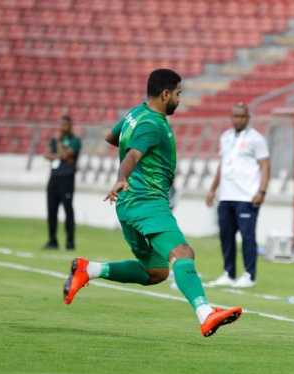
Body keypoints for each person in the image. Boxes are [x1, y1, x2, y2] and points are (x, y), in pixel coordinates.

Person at [62, 69, 242, 338]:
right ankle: (206, 313)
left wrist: (130, 172)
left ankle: (90, 269)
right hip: (147, 202)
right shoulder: (152, 124)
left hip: (128, 206)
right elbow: (133, 154)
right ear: (165, 94)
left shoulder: (135, 114)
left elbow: (113, 138)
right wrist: (122, 176)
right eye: (178, 94)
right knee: (182, 253)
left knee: (156, 271)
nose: (180, 100)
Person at [206, 103, 270, 288]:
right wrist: (212, 189)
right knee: (226, 235)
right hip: (226, 196)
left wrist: (262, 191)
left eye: (241, 116)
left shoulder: (256, 139)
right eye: (235, 116)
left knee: (247, 236)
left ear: (248, 118)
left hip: (247, 196)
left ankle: (249, 275)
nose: (238, 119)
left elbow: (265, 165)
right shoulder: (225, 137)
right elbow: (222, 164)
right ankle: (229, 273)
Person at [43, 115, 81, 250]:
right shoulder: (53, 140)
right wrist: (60, 156)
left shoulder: (75, 140)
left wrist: (59, 147)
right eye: (61, 124)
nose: (62, 127)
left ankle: (70, 242)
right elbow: (47, 155)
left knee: (68, 210)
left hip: (67, 178)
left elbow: (67, 155)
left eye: (65, 124)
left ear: (70, 126)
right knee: (51, 210)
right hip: (54, 178)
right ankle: (52, 240)